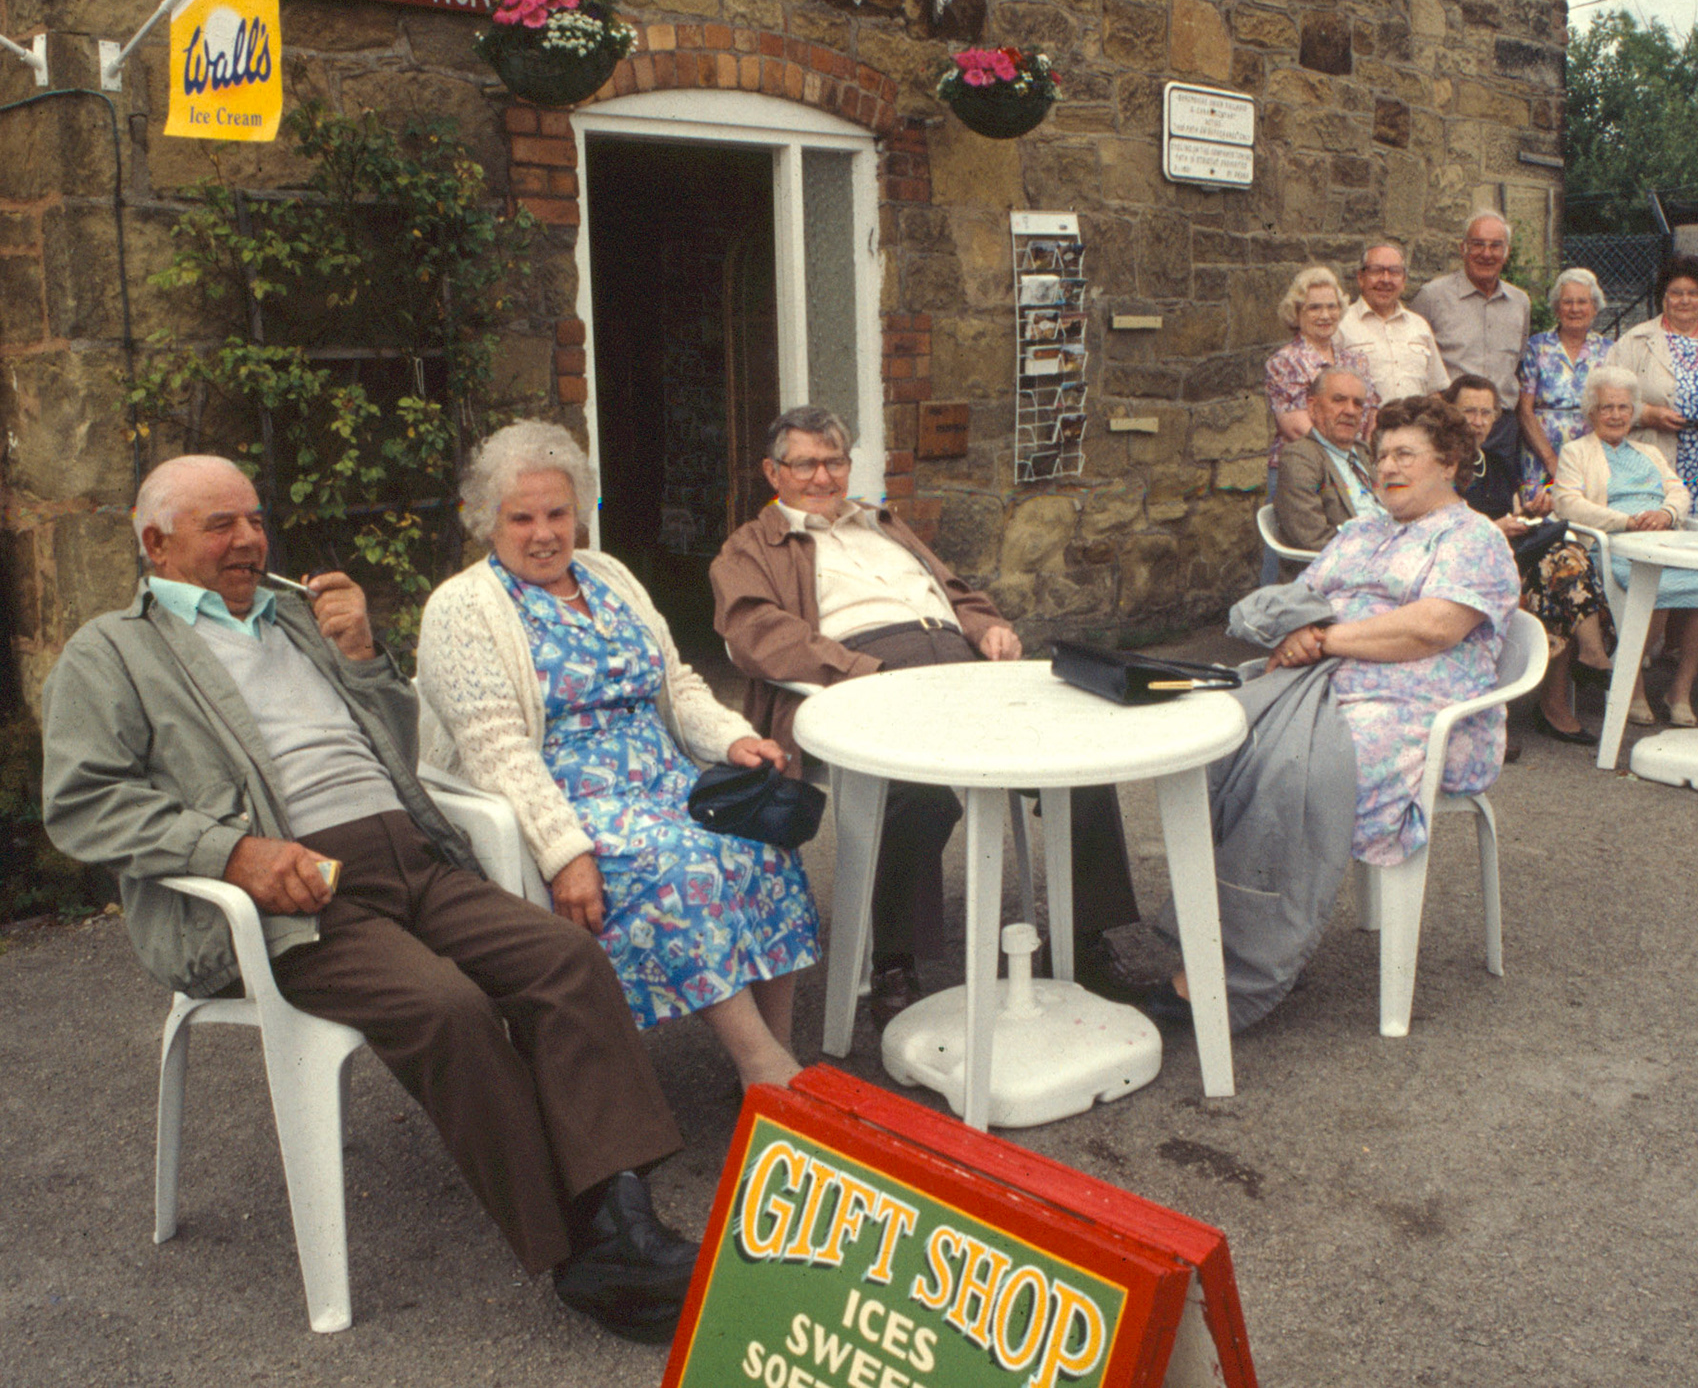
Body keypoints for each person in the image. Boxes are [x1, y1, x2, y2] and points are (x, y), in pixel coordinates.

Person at [40, 455, 699, 1343]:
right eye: (220, 525)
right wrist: (230, 851)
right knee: (447, 1007)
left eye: (255, 519)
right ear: (156, 543)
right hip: (292, 894)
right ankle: (577, 1252)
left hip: (413, 856)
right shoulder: (113, 651)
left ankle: (624, 1218)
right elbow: (84, 801)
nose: (249, 539)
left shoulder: (296, 622)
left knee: (565, 959)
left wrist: (363, 659)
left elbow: (405, 743)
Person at [709, 405, 1145, 1025]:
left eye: (834, 460)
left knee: (1077, 760)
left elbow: (957, 590)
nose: (823, 476)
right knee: (917, 790)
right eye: (805, 463)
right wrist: (863, 673)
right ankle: (895, 960)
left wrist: (987, 626)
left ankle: (1086, 943)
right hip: (864, 674)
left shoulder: (881, 524)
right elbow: (755, 632)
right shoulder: (751, 546)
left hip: (962, 666)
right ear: (772, 472)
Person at [417, 422, 817, 1091]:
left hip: (668, 783)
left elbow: (676, 683)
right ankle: (767, 1072)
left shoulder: (609, 576)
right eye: (522, 517)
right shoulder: (462, 609)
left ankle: (776, 1054)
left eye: (558, 513)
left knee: (766, 840)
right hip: (572, 805)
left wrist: (731, 738)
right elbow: (497, 752)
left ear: (580, 512)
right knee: (691, 863)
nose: (544, 532)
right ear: (489, 520)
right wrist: (563, 850)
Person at [1149, 395, 1521, 1030]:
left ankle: (1244, 972)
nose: (1388, 467)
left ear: (1450, 462)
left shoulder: (1473, 538)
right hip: (1326, 679)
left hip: (1422, 703)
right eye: (1381, 455)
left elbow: (1432, 627)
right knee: (1218, 740)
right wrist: (1300, 629)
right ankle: (1209, 936)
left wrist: (1324, 637)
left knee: (1296, 773)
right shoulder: (1360, 530)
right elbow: (1303, 597)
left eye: (1406, 454)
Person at [1445, 377, 1613, 744]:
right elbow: (1439, 526)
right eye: (1468, 411)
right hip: (1466, 563)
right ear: (1449, 413)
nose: (1477, 421)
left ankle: (1585, 662)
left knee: (1565, 559)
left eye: (1485, 412)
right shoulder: (1440, 464)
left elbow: (1512, 508)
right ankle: (1577, 678)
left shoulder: (1495, 461)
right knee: (1560, 572)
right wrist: (1495, 527)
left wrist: (1529, 512)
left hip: (1511, 557)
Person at [1553, 367, 1698, 728]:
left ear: (1633, 412)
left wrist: (1666, 512)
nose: (1615, 415)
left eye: (1623, 407)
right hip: (1613, 545)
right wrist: (1624, 521)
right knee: (1651, 584)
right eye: (1607, 407)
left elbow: (1678, 490)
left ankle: (1680, 689)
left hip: (1662, 537)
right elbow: (1567, 503)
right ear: (1592, 412)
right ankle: (1634, 687)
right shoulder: (1576, 452)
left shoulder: (1650, 452)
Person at [1608, 253, 1698, 518]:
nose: (1685, 300)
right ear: (1663, 297)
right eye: (1676, 293)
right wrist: (1645, 414)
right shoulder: (1635, 342)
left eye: (1694, 293)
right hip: (1647, 464)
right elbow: (1605, 398)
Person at [1262, 267, 1376, 583]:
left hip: (1351, 463)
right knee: (1292, 554)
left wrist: (1360, 454)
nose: (1325, 314)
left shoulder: (1355, 360)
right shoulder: (1285, 361)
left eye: (1332, 306)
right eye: (1314, 307)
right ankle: (1277, 620)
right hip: (1305, 466)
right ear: (1296, 313)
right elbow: (1298, 427)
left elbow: (1370, 414)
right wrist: (1347, 446)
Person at [1409, 211, 1531, 474]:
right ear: (1463, 248)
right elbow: (1417, 360)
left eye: (1495, 246)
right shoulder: (1433, 297)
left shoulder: (1520, 302)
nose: (1486, 254)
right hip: (1451, 424)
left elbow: (1517, 360)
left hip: (1502, 428)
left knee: (1501, 504)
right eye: (1477, 244)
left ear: (1506, 252)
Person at [1269, 368, 1385, 570]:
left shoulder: (1362, 452)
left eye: (1358, 403)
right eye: (1339, 400)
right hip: (1344, 571)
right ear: (1313, 407)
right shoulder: (1301, 457)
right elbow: (1312, 538)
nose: (1350, 410)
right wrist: (1383, 554)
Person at [1517, 267, 1611, 497]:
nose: (1575, 309)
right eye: (1567, 302)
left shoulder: (1608, 351)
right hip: (1539, 456)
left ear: (1595, 308)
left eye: (1583, 302)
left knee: (1585, 514)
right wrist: (1551, 460)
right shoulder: (1536, 347)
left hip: (1589, 456)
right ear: (1557, 308)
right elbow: (1524, 409)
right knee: (1539, 520)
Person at [1336, 242, 1450, 402]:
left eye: (1394, 272)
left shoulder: (1419, 326)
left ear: (1403, 280)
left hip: (1414, 425)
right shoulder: (1341, 324)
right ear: (1361, 278)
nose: (1385, 279)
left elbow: (1435, 390)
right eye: (1376, 271)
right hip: (1364, 426)